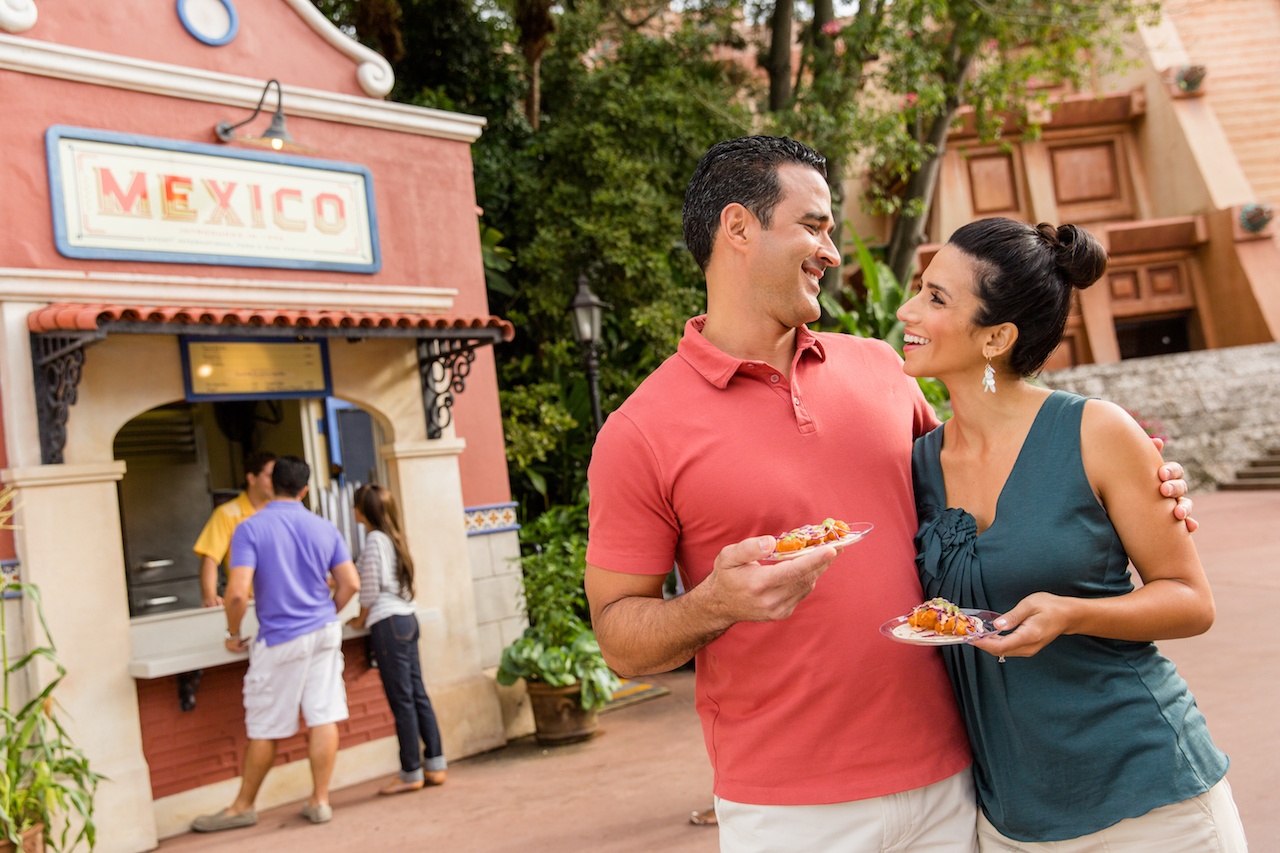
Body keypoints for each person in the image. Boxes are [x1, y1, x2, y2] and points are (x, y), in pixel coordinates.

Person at [584, 136, 1195, 852]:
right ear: (738, 228)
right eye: (813, 225)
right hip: (789, 810)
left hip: (958, 783)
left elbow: (985, 479)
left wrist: (1135, 482)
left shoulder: (881, 369)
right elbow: (620, 638)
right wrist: (713, 603)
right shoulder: (640, 430)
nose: (833, 251)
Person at [900, 217, 1247, 851]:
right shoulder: (917, 464)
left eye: (935, 298)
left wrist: (1071, 614)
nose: (906, 309)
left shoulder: (1098, 432)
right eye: (920, 289)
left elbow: (1191, 601)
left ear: (997, 336)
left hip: (1151, 801)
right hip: (1013, 820)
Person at [191, 456, 360, 832]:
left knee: (266, 725)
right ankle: (319, 801)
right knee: (323, 714)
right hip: (324, 634)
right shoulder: (324, 527)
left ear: (270, 486)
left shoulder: (251, 529)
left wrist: (233, 633)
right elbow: (350, 583)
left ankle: (243, 807)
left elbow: (235, 595)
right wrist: (325, 613)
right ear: (303, 489)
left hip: (281, 638)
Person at [347, 483, 447, 796]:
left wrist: (360, 618)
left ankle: (410, 772)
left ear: (362, 511)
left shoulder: (374, 540)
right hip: (406, 618)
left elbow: (372, 586)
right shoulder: (393, 537)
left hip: (388, 622)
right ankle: (435, 763)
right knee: (417, 694)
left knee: (401, 698)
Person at [194, 450, 276, 607]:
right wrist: (210, 596)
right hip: (246, 603)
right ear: (252, 478)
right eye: (270, 475)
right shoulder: (227, 514)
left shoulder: (281, 511)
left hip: (282, 600)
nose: (276, 482)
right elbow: (210, 558)